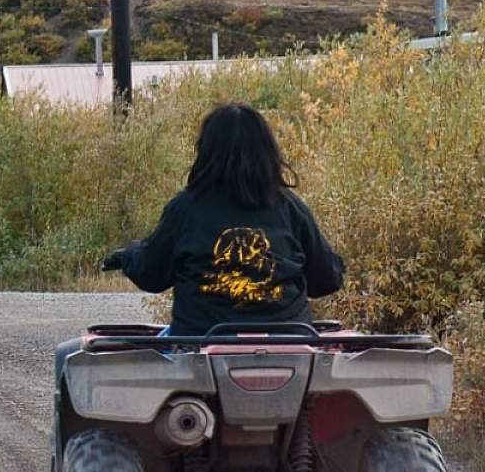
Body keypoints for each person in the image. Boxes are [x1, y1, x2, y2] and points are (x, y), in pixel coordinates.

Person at [101, 102, 345, 334]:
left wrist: (129, 256)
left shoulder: (185, 208)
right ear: (268, 151)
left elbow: (151, 274)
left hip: (199, 348)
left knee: (71, 352)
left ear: (206, 151)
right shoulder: (291, 208)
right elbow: (326, 280)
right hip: (290, 350)